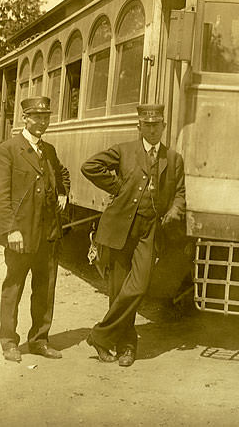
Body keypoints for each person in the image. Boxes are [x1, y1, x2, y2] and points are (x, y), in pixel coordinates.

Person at [81, 103, 186, 367]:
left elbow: (180, 193)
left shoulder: (173, 159)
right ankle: (126, 347)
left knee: (137, 287)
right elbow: (90, 166)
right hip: (120, 229)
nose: (152, 130)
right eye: (147, 126)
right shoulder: (124, 150)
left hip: (150, 230)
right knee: (118, 291)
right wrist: (118, 187)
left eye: (157, 125)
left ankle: (100, 335)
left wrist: (174, 209)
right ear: (139, 127)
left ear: (164, 127)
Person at [0, 96, 70, 362]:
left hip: (48, 234)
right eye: (37, 117)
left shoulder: (49, 150)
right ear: (25, 118)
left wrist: (63, 192)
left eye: (46, 117)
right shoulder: (9, 149)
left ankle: (39, 340)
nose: (42, 122)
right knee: (13, 287)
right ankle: (9, 342)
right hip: (21, 235)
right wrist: (10, 229)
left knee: (45, 289)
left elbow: (61, 173)